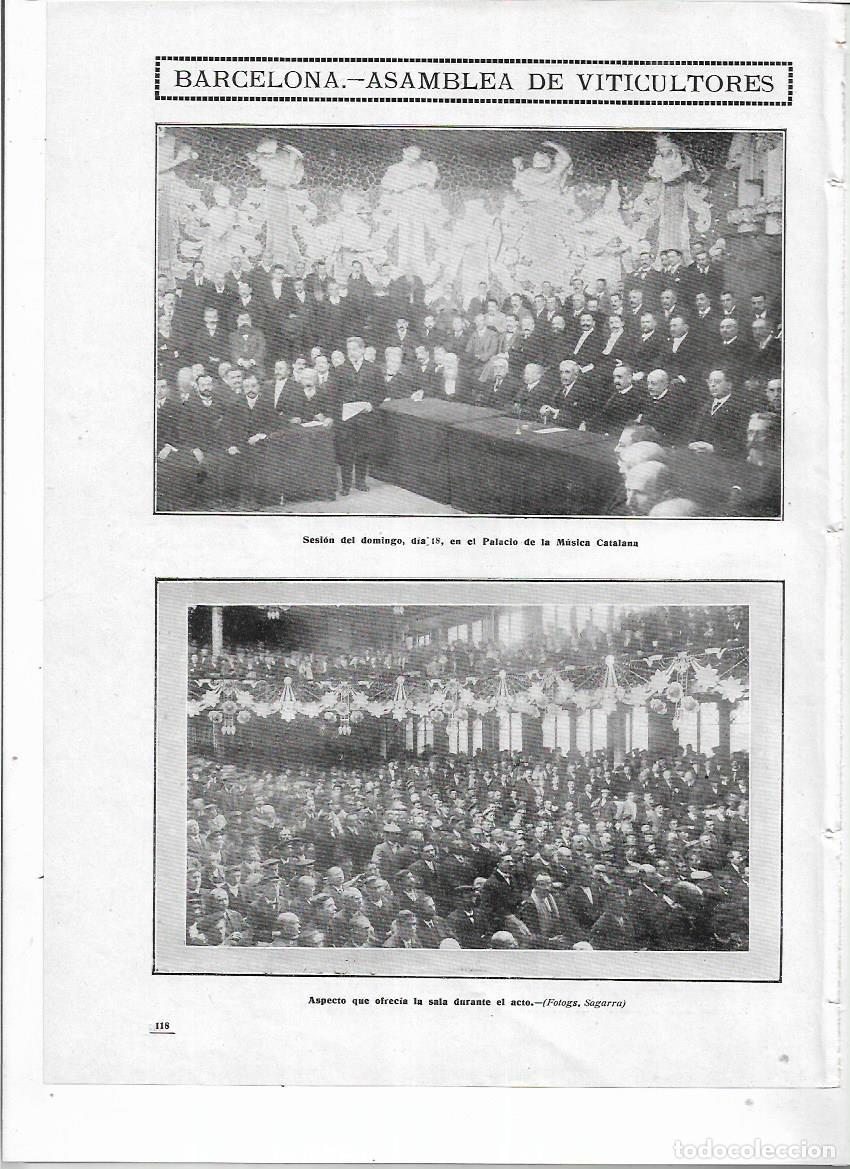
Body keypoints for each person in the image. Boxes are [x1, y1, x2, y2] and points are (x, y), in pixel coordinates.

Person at [332, 335, 383, 494]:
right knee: (346, 452)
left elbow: (381, 392)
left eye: (354, 349)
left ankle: (360, 481)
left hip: (366, 418)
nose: (351, 352)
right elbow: (334, 394)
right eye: (349, 350)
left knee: (363, 450)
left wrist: (371, 404)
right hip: (347, 419)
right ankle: (346, 485)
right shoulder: (340, 370)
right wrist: (340, 412)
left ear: (362, 350)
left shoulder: (374, 369)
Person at [689, 369, 748, 457]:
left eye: (717, 382)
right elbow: (695, 433)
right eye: (710, 382)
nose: (712, 385)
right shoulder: (705, 406)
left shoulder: (739, 408)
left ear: (729, 385)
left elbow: (740, 441)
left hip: (725, 458)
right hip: (700, 456)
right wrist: (692, 444)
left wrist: (714, 449)